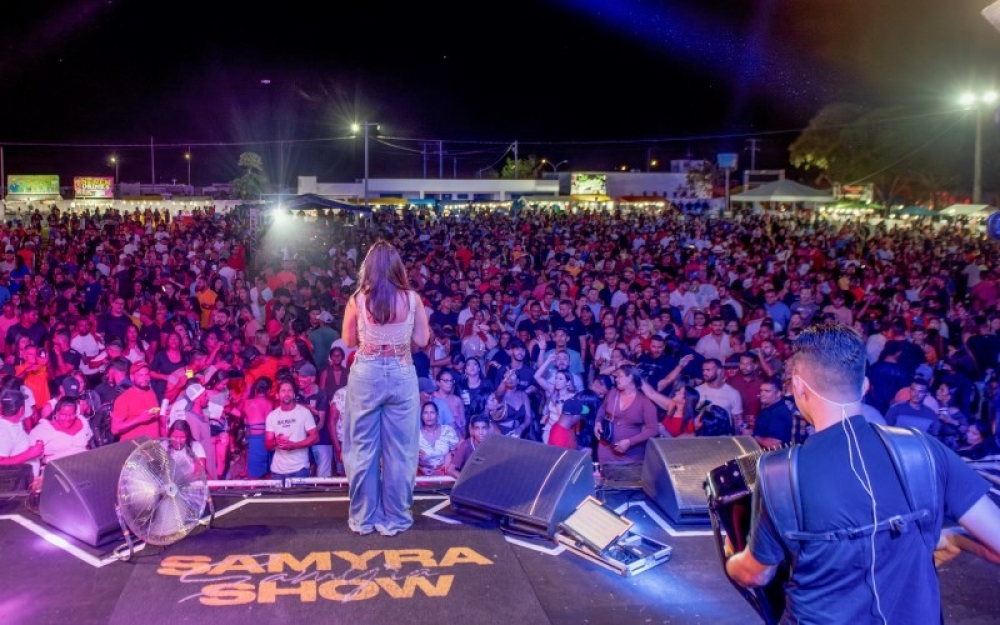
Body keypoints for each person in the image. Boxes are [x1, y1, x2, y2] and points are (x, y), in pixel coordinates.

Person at [726, 324, 1000, 623]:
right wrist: (957, 540)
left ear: (798, 387)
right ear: (865, 386)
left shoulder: (779, 472)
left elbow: (756, 575)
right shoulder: (925, 449)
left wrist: (732, 559)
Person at [340, 240, 430, 537]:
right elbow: (423, 340)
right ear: (397, 266)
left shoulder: (358, 299)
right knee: (400, 451)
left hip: (367, 372)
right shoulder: (412, 299)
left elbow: (349, 341)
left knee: (363, 449)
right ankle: (395, 519)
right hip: (401, 372)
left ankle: (363, 519)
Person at [594, 364, 659, 464]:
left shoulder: (645, 402)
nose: (616, 379)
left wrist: (630, 442)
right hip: (606, 450)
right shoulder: (612, 393)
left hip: (630, 455)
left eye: (619, 376)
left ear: (630, 377)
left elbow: (653, 429)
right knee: (604, 478)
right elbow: (602, 410)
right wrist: (598, 423)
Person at [264, 378, 319, 480]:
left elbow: (315, 437)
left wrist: (295, 445)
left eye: (289, 390)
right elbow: (268, 445)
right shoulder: (272, 416)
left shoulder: (304, 413)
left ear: (294, 394)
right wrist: (277, 441)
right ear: (278, 394)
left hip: (300, 469)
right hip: (277, 471)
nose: (286, 394)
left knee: (299, 496)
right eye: (283, 391)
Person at [29, 396, 92, 466]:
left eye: (71, 415)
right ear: (56, 412)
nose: (67, 419)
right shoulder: (44, 428)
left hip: (84, 464)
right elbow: (31, 455)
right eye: (63, 415)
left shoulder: (82, 421)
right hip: (57, 469)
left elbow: (89, 442)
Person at [416, 401, 460, 475]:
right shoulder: (416, 434)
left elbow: (457, 452)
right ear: (422, 416)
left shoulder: (448, 430)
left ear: (438, 415)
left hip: (446, 472)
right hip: (422, 473)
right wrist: (421, 468)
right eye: (425, 413)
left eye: (432, 412)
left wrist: (450, 456)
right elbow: (409, 459)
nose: (429, 416)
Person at [446, 413, 492, 477]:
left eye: (484, 428)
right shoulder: (466, 446)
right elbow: (450, 470)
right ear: (473, 430)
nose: (481, 432)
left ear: (489, 429)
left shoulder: (493, 444)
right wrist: (465, 480)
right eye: (477, 428)